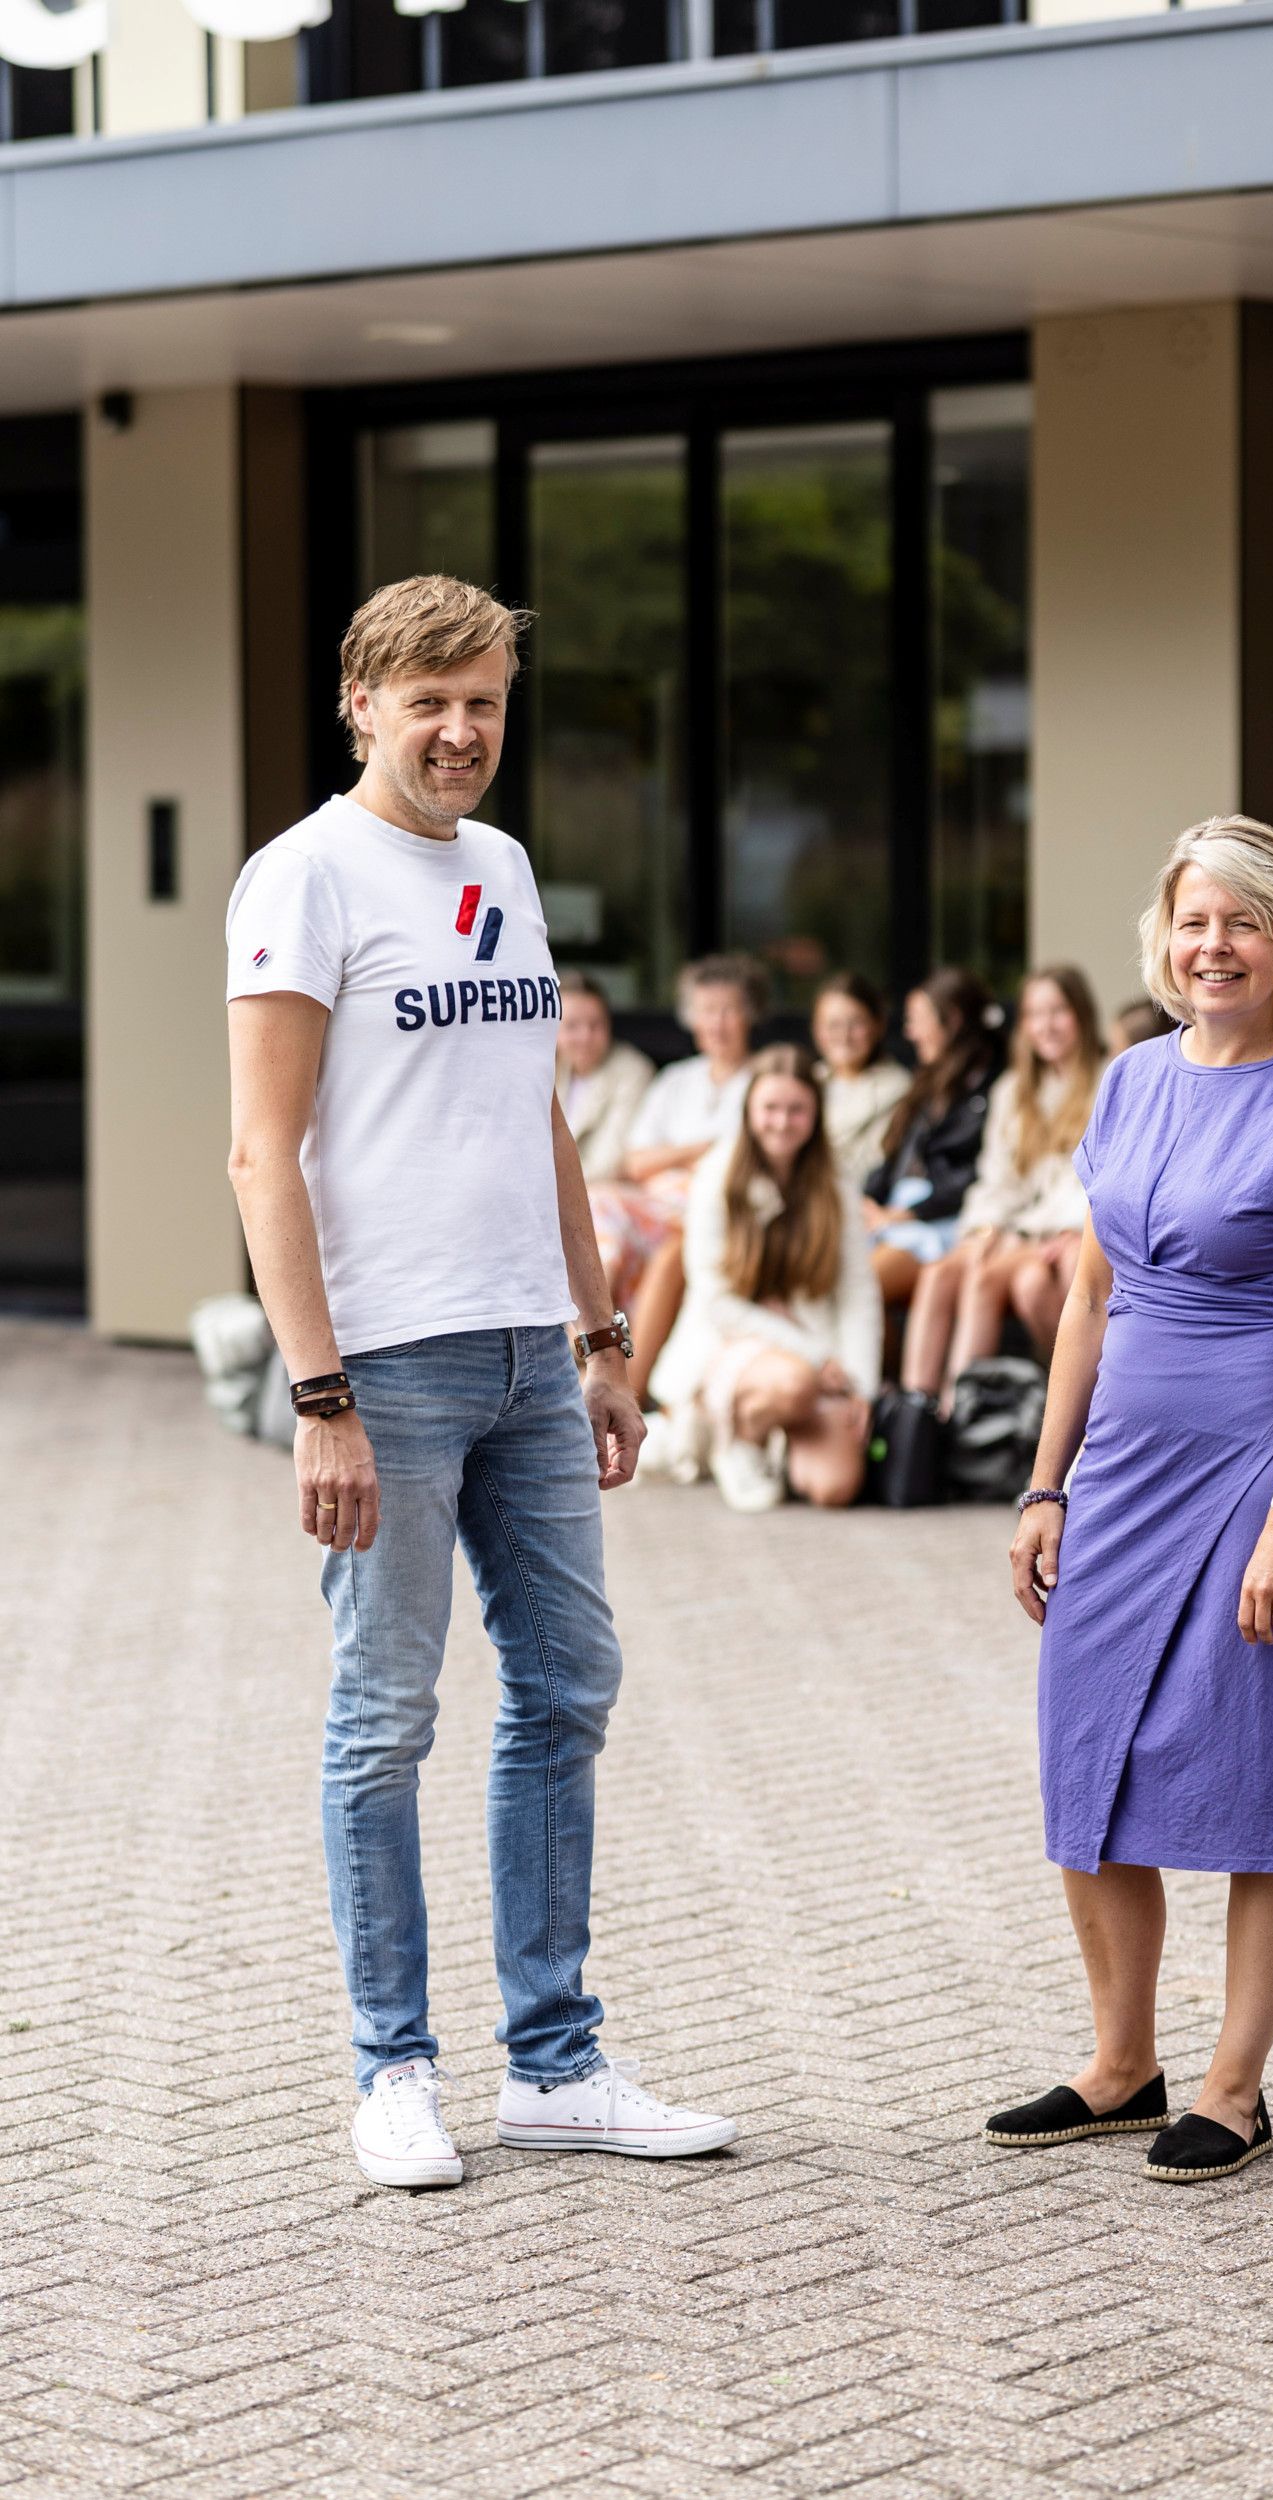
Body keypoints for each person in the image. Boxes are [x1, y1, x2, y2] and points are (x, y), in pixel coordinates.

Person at [225, 573, 736, 2191]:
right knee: (383, 1723)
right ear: (360, 704)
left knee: (568, 1687)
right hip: (387, 1361)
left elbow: (538, 1121)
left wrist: (598, 1337)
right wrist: (320, 1399)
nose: (462, 732)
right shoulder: (301, 877)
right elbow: (259, 1154)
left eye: (487, 702)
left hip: (529, 1351)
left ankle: (556, 2064)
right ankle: (392, 2067)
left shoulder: (505, 868)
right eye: (430, 700)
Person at [995, 814, 1273, 2185]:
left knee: (1246, 1775)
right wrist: (1045, 1483)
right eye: (1190, 920)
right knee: (1083, 1757)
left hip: (1253, 1470)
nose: (1209, 944)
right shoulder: (1128, 1080)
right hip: (1116, 1475)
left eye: (1238, 921)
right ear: (1162, 939)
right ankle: (1119, 2064)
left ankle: (1233, 2086)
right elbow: (1090, 1292)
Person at [648, 1046, 881, 1512]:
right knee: (794, 1384)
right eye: (770, 1108)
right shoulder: (718, 1175)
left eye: (797, 1110)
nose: (782, 1121)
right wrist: (813, 1355)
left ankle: (776, 1435)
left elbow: (858, 1288)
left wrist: (861, 1386)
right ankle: (741, 1439)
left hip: (811, 1343)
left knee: (834, 1487)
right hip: (730, 1337)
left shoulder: (834, 1180)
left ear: (815, 1114)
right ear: (749, 1111)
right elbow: (716, 1301)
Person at [900, 965, 1105, 1407]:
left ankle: (959, 1412)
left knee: (991, 1278)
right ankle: (915, 1410)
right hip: (1017, 1224)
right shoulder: (1013, 1090)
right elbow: (998, 1179)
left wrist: (1041, 1232)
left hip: (1065, 1227)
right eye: (1034, 1014)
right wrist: (989, 1229)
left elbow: (1097, 1180)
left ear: (1082, 1016)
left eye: (1058, 1011)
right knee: (941, 1272)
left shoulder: (1109, 1078)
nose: (1045, 1026)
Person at [587, 953, 765, 1394]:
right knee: (598, 1208)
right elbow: (635, 1162)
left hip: (719, 1209)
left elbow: (748, 1162)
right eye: (707, 1011)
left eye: (729, 1010)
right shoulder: (676, 1081)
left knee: (652, 1243)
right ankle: (592, 1350)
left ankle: (616, 1377)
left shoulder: (765, 1079)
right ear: (691, 1019)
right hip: (655, 1205)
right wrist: (697, 1150)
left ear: (750, 1016)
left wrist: (673, 1158)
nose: (718, 1023)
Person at [863, 969, 1002, 1308]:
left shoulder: (992, 1088)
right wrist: (868, 1201)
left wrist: (908, 1214)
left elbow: (974, 1175)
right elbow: (894, 1161)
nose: (909, 1032)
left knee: (859, 1293)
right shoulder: (925, 1084)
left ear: (951, 1021)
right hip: (894, 1217)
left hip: (937, 1225)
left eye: (918, 1020)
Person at [811, 971, 911, 1187]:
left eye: (856, 1023)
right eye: (833, 1024)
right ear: (817, 1030)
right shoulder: (806, 1081)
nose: (844, 1036)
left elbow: (873, 1164)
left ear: (878, 1026)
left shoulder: (899, 1089)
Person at [554, 972, 654, 1184]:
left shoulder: (632, 1072)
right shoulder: (551, 1069)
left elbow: (610, 1163)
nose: (585, 1037)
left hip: (596, 1192)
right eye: (572, 1026)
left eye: (595, 1025)